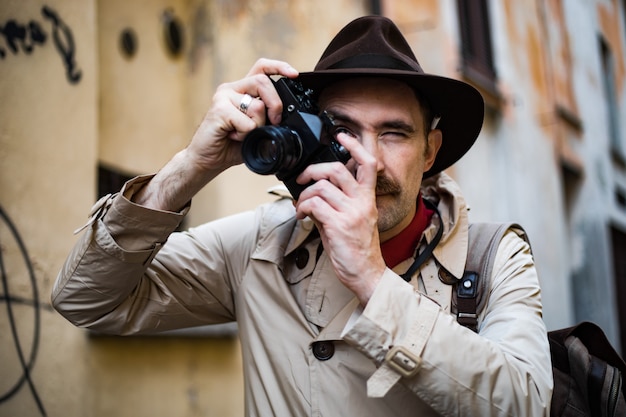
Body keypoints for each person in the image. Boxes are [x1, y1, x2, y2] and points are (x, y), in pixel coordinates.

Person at [52, 15, 553, 416]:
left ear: (430, 151)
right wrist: (189, 168)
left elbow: (526, 403)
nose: (368, 159)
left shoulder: (492, 258)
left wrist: (374, 281)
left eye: (394, 133)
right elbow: (84, 300)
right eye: (342, 128)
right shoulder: (261, 245)